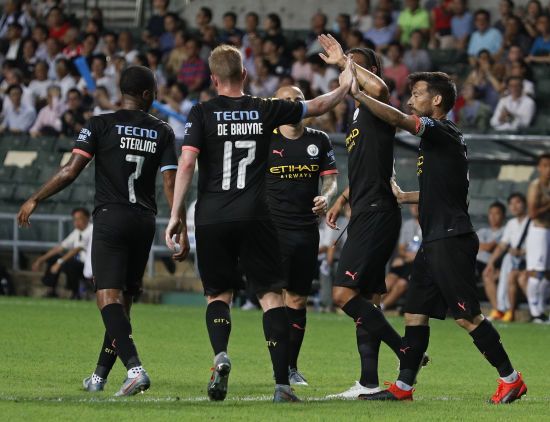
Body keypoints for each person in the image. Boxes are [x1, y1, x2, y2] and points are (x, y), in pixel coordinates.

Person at [165, 44, 353, 403]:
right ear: (244, 74)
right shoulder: (265, 108)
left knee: (218, 294)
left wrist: (176, 215)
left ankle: (221, 355)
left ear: (213, 78)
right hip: (256, 216)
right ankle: (282, 384)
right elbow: (320, 105)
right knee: (270, 296)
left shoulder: (202, 111)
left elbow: (186, 163)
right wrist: (346, 80)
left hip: (212, 215)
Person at [352, 70, 526, 403]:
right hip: (434, 239)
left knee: (466, 316)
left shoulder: (441, 130)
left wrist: (359, 95)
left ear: (436, 99)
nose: (410, 100)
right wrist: (406, 196)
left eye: (416, 94)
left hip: (450, 238)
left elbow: (400, 120)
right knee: (415, 313)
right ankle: (403, 387)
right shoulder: (441, 141)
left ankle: (511, 379)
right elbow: (447, 192)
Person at [17, 65, 180, 396]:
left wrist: (35, 198)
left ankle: (135, 369)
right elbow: (170, 182)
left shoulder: (99, 124)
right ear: (147, 94)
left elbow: (70, 171)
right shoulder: (163, 130)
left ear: (122, 92)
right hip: (144, 221)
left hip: (111, 218)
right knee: (123, 303)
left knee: (107, 298)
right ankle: (99, 377)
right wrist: (180, 222)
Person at [318, 35, 408, 399]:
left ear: (369, 71)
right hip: (367, 208)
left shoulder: (376, 104)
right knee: (368, 301)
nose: (345, 69)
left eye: (354, 65)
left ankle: (405, 350)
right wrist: (342, 198)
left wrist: (344, 61)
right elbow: (366, 168)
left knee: (342, 293)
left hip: (376, 211)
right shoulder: (356, 113)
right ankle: (368, 382)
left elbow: (381, 88)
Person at [265, 85, 339, 386]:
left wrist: (326, 197)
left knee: (297, 299)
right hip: (272, 232)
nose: (292, 104)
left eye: (297, 99)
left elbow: (331, 181)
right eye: (286, 100)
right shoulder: (265, 138)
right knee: (274, 299)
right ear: (275, 104)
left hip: (306, 232)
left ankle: (291, 367)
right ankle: (279, 368)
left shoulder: (318, 140)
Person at [483, 193, 530, 322]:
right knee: (495, 269)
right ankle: (500, 310)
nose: (514, 206)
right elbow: (502, 246)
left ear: (525, 204)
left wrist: (522, 251)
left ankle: (511, 310)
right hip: (514, 261)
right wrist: (490, 263)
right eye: (511, 204)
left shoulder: (532, 221)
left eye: (518, 202)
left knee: (513, 273)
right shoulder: (511, 223)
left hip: (529, 261)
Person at [31, 208, 92, 299]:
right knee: (54, 258)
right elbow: (60, 247)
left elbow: (76, 250)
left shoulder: (92, 230)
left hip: (88, 266)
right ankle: (50, 289)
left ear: (87, 218)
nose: (76, 222)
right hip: (78, 264)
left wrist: (59, 262)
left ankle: (75, 292)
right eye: (74, 219)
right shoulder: (77, 232)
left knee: (70, 263)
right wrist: (40, 260)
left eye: (79, 219)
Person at [382, 204, 422, 311]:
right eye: (412, 206)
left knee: (401, 284)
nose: (414, 208)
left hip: (419, 264)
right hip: (406, 261)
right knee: (389, 280)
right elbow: (401, 249)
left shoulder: (429, 225)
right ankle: (372, 305)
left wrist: (410, 258)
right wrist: (406, 258)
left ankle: (381, 307)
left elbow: (428, 251)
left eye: (417, 205)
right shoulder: (407, 224)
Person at [525, 153, 550, 322]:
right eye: (545, 165)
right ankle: (534, 312)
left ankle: (541, 309)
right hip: (538, 231)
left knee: (547, 273)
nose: (548, 169)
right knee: (537, 271)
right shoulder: (535, 186)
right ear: (539, 167)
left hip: (548, 231)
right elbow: (532, 213)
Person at [477, 202, 506, 318]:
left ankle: (498, 311)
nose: (493, 217)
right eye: (491, 213)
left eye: (497, 213)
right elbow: (473, 245)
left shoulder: (505, 231)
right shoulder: (483, 231)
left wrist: (483, 246)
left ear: (503, 216)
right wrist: (487, 246)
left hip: (495, 264)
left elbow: (489, 247)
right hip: (476, 264)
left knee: (488, 275)